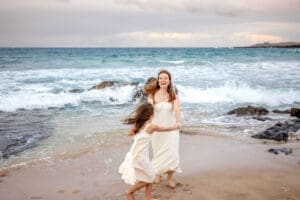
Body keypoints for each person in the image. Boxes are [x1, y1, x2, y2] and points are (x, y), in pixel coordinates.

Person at [119, 102, 179, 200]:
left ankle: (148, 198)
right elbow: (166, 128)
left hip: (135, 154)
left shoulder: (136, 126)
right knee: (149, 178)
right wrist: (175, 126)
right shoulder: (151, 127)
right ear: (152, 115)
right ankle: (130, 191)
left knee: (150, 174)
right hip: (140, 157)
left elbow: (130, 134)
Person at [147, 69, 182, 189]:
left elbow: (177, 110)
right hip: (157, 129)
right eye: (161, 78)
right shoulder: (152, 95)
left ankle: (170, 178)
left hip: (171, 128)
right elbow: (149, 112)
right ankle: (158, 174)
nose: (163, 80)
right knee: (158, 152)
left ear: (169, 81)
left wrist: (178, 122)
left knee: (172, 154)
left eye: (165, 78)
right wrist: (148, 125)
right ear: (158, 80)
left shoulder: (173, 96)